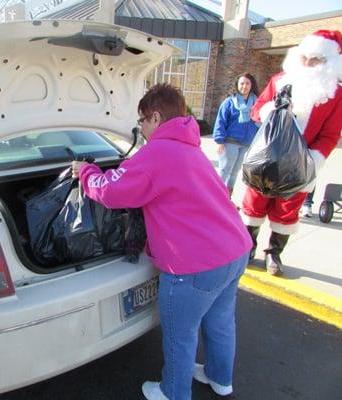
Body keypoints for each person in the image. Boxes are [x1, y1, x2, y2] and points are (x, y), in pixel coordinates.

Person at [72, 84, 252, 400]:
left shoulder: (157, 153)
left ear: (156, 117)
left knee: (180, 335)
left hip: (195, 265)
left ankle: (172, 392)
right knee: (221, 321)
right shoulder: (191, 149)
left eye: (142, 120)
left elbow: (110, 191)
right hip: (235, 250)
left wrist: (85, 171)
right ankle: (219, 379)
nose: (140, 127)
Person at [243, 29, 342, 276]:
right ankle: (247, 247)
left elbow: (330, 135)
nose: (308, 64)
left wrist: (312, 160)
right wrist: (269, 112)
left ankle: (274, 253)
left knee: (286, 211)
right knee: (253, 205)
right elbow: (256, 110)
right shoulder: (279, 81)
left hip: (300, 164)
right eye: (305, 58)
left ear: (330, 63)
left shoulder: (336, 95)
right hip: (265, 160)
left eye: (315, 60)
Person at [213, 73, 259, 198]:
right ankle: (215, 196)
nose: (244, 86)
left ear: (252, 85)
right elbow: (220, 121)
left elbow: (259, 122)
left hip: (246, 143)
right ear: (237, 85)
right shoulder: (229, 102)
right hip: (230, 142)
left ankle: (227, 197)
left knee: (234, 172)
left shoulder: (256, 103)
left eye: (247, 83)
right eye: (242, 83)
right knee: (225, 170)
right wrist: (219, 141)